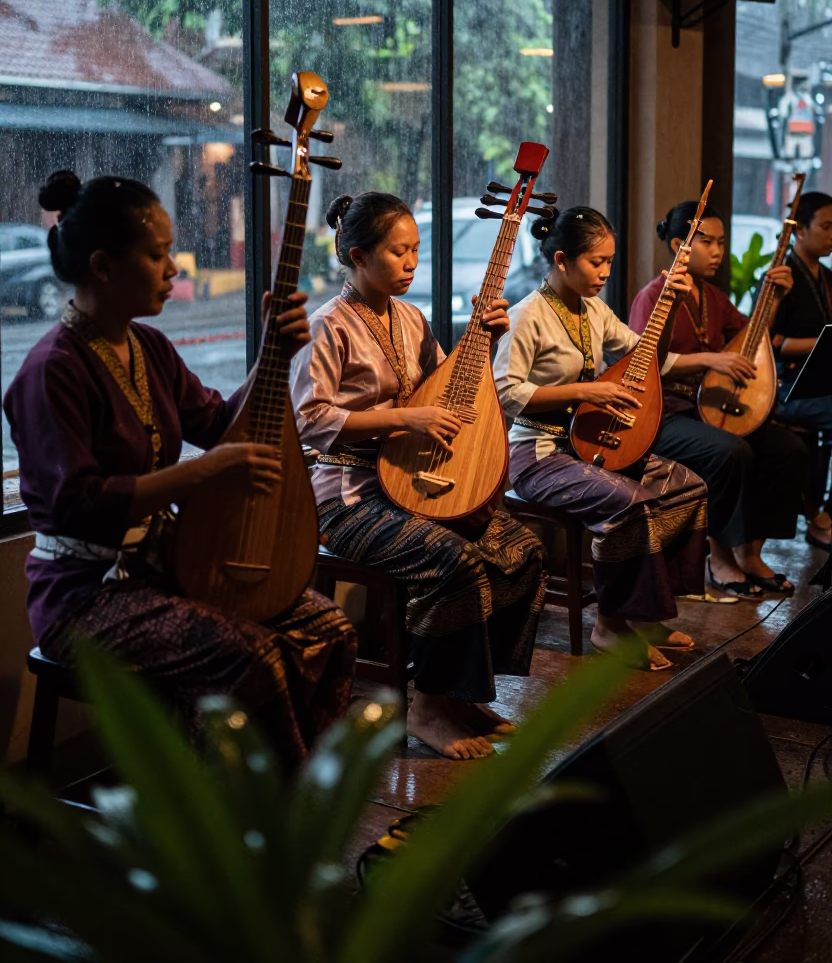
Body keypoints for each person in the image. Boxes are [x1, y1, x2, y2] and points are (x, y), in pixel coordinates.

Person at [3, 171, 356, 772]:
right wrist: (203, 475)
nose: (174, 270)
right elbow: (76, 505)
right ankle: (243, 830)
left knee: (330, 629)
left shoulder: (150, 348)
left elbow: (221, 423)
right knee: (254, 660)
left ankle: (294, 800)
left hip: (163, 569)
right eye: (157, 255)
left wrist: (276, 353)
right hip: (84, 596)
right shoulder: (50, 371)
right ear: (103, 266)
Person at [290, 192, 546, 761]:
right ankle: (426, 708)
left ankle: (463, 694)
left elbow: (448, 389)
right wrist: (406, 417)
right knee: (452, 561)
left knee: (521, 548)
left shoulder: (411, 319)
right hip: (345, 496)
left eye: (414, 252)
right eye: (397, 252)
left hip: (411, 478)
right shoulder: (325, 327)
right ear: (357, 255)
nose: (411, 263)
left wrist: (487, 339)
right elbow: (310, 421)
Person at [493, 206, 707, 672]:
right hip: (537, 453)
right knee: (630, 503)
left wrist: (668, 303)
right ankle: (610, 625)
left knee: (686, 486)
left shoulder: (593, 310)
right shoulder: (527, 315)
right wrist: (585, 390)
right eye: (597, 262)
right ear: (563, 260)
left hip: (589, 446)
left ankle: (648, 614)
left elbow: (647, 354)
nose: (606, 272)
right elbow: (506, 393)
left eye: (610, 261)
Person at [630, 201, 805, 598]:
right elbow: (644, 365)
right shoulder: (653, 295)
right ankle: (719, 557)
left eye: (721, 243)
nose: (717, 252)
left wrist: (772, 297)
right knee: (731, 451)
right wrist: (710, 359)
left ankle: (751, 552)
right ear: (678, 245)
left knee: (787, 447)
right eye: (706, 242)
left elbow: (751, 340)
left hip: (706, 407)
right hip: (664, 415)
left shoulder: (712, 296)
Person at [769, 190, 832, 548]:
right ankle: (820, 516)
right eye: (825, 226)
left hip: (820, 382)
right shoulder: (783, 275)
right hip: (787, 385)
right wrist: (823, 343)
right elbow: (772, 342)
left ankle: (825, 512)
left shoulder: (826, 277)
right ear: (800, 231)